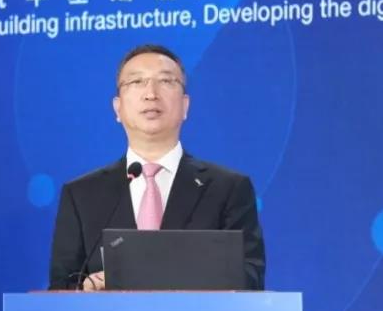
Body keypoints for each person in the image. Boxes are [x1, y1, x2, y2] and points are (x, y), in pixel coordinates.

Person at [48, 43, 265, 291]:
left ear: (185, 106)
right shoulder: (82, 194)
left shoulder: (228, 189)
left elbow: (248, 278)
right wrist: (85, 287)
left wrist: (139, 276)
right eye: (137, 82)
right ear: (118, 108)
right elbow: (61, 289)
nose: (151, 93)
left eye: (165, 81)